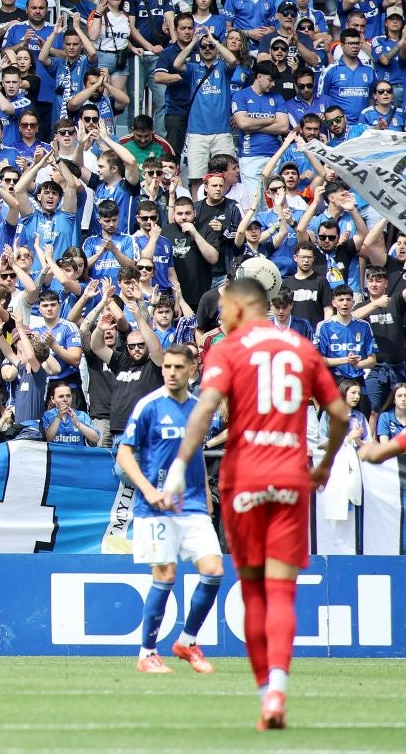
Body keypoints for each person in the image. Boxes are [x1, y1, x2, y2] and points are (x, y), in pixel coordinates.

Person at [165, 275, 352, 732]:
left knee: (253, 592)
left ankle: (265, 695)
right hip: (290, 477)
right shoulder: (302, 347)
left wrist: (179, 465)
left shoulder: (228, 349)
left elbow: (206, 408)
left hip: (244, 478)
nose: (220, 314)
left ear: (241, 305)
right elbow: (342, 415)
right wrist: (324, 464)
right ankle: (281, 691)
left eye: (223, 306)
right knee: (282, 590)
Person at [116, 343, 224, 675]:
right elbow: (124, 454)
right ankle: (147, 652)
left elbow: (194, 458)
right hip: (156, 508)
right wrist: (148, 491)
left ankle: (187, 641)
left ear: (193, 370)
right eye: (167, 367)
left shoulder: (199, 409)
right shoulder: (148, 406)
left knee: (214, 572)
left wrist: (205, 497)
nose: (172, 372)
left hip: (191, 505)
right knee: (165, 575)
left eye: (178, 367)